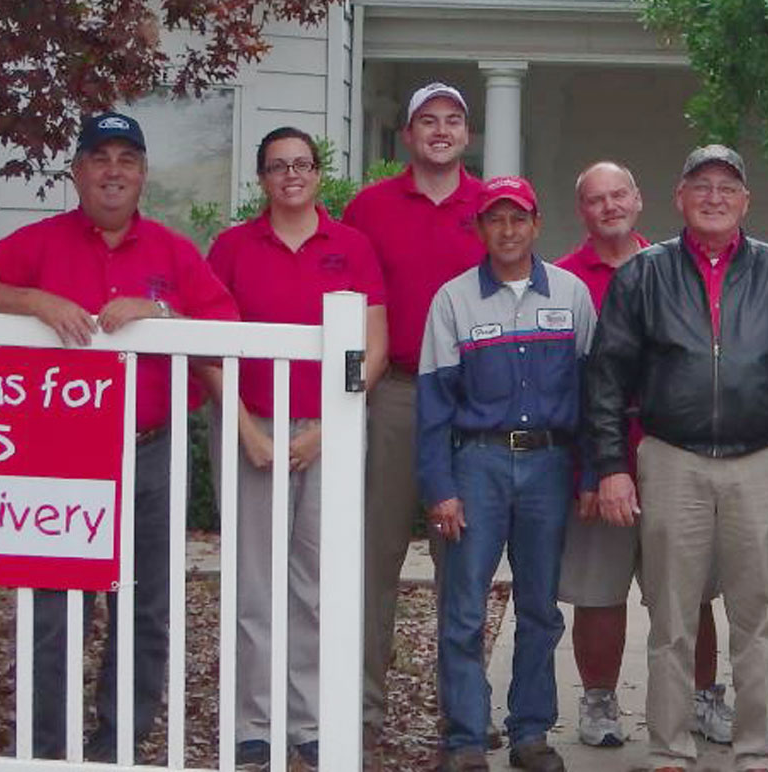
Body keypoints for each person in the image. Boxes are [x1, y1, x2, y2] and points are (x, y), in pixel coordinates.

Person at [0, 112, 240, 761]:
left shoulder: (172, 252)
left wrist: (160, 313)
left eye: (127, 159)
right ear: (76, 172)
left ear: (143, 174)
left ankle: (117, 749)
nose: (113, 172)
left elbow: (226, 331)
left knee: (146, 608)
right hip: (64, 458)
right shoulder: (41, 244)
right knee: (55, 609)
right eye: (100, 158)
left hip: (152, 449)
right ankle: (49, 750)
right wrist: (34, 302)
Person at [585, 145, 768, 772]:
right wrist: (612, 467)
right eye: (701, 186)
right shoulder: (644, 274)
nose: (714, 197)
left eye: (727, 187)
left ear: (745, 201)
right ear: (679, 197)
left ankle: (755, 750)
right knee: (671, 617)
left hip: (762, 463)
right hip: (673, 460)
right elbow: (607, 380)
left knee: (758, 619)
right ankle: (670, 747)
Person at [205, 126, 390, 771]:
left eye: (302, 164)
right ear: (262, 177)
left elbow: (373, 346)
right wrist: (248, 432)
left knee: (316, 584)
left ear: (317, 174)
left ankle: (309, 720)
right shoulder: (232, 247)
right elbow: (210, 348)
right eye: (278, 165)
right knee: (255, 584)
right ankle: (254, 724)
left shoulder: (351, 245)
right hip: (252, 426)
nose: (291, 175)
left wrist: (327, 430)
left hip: (327, 430)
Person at [552, 161, 733, 749]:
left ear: (638, 199)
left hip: (675, 457)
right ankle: (599, 702)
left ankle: (702, 697)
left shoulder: (674, 267)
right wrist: (590, 470)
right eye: (595, 199)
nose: (609, 206)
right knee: (599, 592)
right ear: (582, 211)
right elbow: (571, 387)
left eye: (618, 195)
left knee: (689, 592)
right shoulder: (563, 282)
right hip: (598, 464)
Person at [418, 177, 596, 772]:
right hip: (479, 463)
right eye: (495, 219)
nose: (508, 230)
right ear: (480, 228)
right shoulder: (454, 300)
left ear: (536, 224)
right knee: (465, 607)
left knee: (541, 606)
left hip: (550, 464)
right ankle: (466, 737)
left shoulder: (571, 294)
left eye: (518, 218)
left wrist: (591, 474)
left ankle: (531, 733)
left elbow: (594, 393)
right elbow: (433, 403)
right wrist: (440, 487)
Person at [339, 83, 487, 756]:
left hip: (469, 403)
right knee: (375, 557)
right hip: (395, 392)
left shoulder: (488, 207)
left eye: (452, 120)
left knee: (465, 564)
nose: (440, 130)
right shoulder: (369, 208)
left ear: (467, 135)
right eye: (427, 120)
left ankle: (463, 716)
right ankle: (362, 708)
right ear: (406, 136)